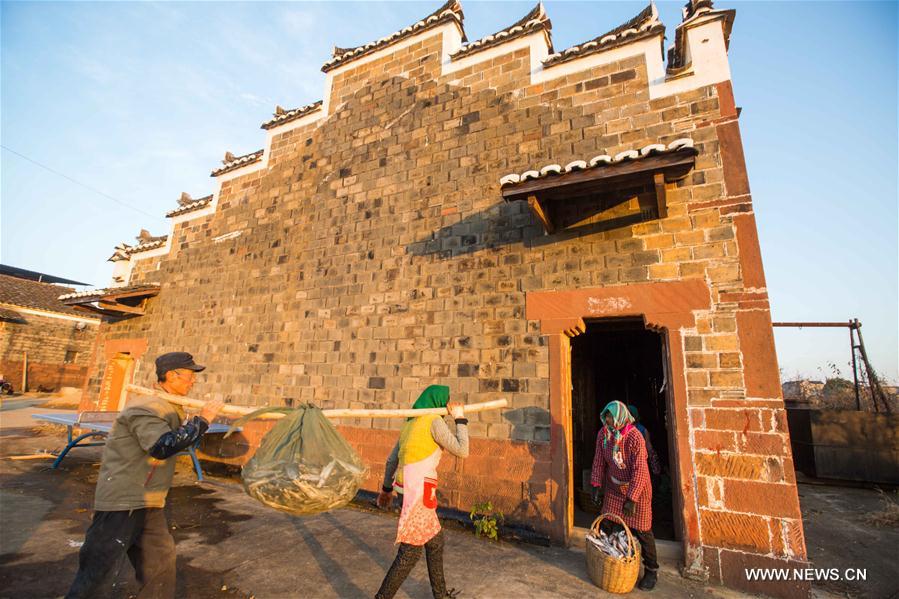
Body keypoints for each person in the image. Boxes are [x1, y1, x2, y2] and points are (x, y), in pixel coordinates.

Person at [67, 352, 223, 599]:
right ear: (172, 376)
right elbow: (162, 447)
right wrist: (202, 421)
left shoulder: (169, 405)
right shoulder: (147, 407)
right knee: (98, 572)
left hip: (149, 500)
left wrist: (193, 424)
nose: (193, 382)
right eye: (190, 376)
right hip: (123, 501)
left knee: (159, 563)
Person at [375, 385, 469, 599]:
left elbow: (391, 461)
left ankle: (441, 595)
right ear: (439, 403)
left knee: (435, 542)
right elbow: (462, 451)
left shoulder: (409, 424)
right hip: (418, 493)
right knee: (410, 552)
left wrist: (386, 489)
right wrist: (460, 418)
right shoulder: (433, 421)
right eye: (446, 402)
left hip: (407, 490)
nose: (447, 405)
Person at [591, 400, 658, 591]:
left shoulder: (635, 437)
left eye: (610, 416)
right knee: (607, 523)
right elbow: (598, 461)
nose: (607, 419)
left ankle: (652, 570)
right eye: (606, 415)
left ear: (620, 416)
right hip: (614, 487)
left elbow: (640, 470)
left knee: (643, 530)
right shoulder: (604, 435)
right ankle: (610, 561)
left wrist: (632, 498)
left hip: (638, 489)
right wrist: (596, 484)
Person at [627, 404, 662, 476]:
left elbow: (649, 447)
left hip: (640, 460)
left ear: (634, 416)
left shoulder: (643, 430)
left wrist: (652, 458)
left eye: (630, 414)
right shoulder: (621, 430)